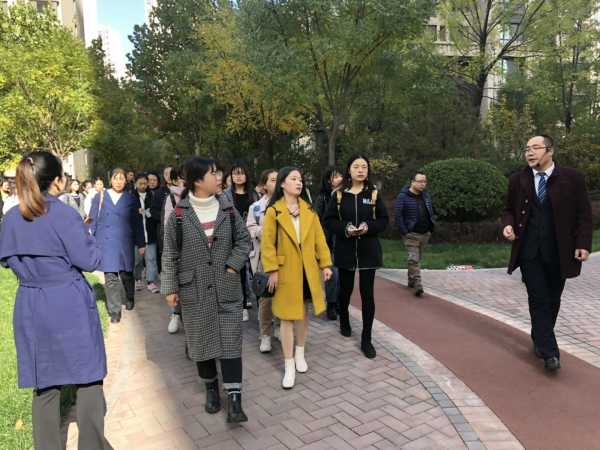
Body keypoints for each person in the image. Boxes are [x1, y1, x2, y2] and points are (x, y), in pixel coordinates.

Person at [0, 151, 112, 450]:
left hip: (31, 303)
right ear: (57, 181)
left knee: (45, 384)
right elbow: (90, 260)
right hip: (68, 302)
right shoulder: (64, 215)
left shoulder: (11, 218)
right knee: (88, 377)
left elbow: (8, 261)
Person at [161, 156, 250, 423]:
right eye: (213, 173)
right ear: (198, 180)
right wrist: (170, 287)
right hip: (194, 290)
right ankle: (211, 388)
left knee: (231, 341)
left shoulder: (228, 210)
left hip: (227, 288)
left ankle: (235, 398)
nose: (219, 177)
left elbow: (243, 241)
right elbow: (170, 253)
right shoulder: (179, 215)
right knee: (201, 341)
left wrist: (232, 266)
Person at [502, 135, 592, 372]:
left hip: (560, 251)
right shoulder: (518, 179)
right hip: (529, 251)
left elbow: (584, 214)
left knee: (553, 298)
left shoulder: (572, 178)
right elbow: (508, 210)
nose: (529, 152)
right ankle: (550, 353)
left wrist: (583, 243)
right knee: (538, 298)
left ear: (550, 151)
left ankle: (539, 336)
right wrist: (508, 224)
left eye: (535, 148)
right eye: (526, 149)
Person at [261, 167, 333, 389]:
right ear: (282, 183)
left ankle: (300, 353)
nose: (299, 182)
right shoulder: (273, 211)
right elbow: (267, 244)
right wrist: (272, 270)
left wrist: (325, 264)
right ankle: (289, 364)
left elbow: (320, 239)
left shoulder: (309, 210)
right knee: (286, 317)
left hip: (307, 270)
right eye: (294, 179)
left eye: (300, 179)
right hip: (284, 271)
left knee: (302, 313)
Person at [324, 155, 389, 359]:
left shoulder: (373, 194)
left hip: (368, 251)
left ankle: (366, 339)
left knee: (367, 294)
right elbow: (329, 220)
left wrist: (369, 227)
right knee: (345, 290)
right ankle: (344, 319)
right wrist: (346, 228)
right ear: (349, 170)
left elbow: (384, 220)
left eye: (364, 167)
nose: (360, 170)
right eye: (356, 166)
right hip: (346, 250)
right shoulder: (338, 194)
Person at [89, 168, 145, 323]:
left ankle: (129, 296)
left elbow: (137, 223)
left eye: (121, 179)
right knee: (110, 276)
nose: (118, 182)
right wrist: (90, 238)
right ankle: (114, 311)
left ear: (126, 181)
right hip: (106, 242)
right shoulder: (100, 197)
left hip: (125, 242)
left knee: (126, 274)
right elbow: (92, 219)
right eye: (116, 178)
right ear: (110, 180)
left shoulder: (131, 198)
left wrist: (141, 243)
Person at [247, 169, 278, 353]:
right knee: (266, 297)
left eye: (278, 179)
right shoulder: (256, 207)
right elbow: (250, 227)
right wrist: (263, 231)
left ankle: (280, 326)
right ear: (264, 185)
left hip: (286, 258)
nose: (276, 182)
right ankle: (265, 334)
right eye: (272, 180)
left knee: (283, 294)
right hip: (264, 257)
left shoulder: (289, 204)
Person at [224, 161, 259, 321]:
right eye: (235, 173)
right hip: (235, 239)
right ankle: (243, 305)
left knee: (256, 272)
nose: (238, 177)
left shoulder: (254, 194)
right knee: (239, 273)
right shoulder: (225, 195)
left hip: (253, 238)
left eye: (241, 173)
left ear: (246, 175)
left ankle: (261, 306)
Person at [394, 172, 434, 297]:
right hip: (411, 234)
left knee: (416, 259)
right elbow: (398, 215)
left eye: (425, 182)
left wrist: (430, 228)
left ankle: (411, 279)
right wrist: (405, 231)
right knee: (414, 259)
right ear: (412, 182)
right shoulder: (403, 197)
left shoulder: (425, 196)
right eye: (420, 181)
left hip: (425, 234)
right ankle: (418, 285)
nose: (423, 184)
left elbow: (430, 212)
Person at [314, 167, 343, 320]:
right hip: (327, 241)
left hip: (342, 240)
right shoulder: (322, 198)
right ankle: (331, 304)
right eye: (335, 176)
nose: (340, 178)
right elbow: (316, 219)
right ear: (328, 180)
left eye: (340, 176)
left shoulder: (345, 195)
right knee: (333, 274)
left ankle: (339, 303)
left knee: (342, 274)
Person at [162, 167, 186, 333]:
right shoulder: (171, 198)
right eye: (181, 178)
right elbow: (167, 226)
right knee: (177, 282)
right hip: (178, 246)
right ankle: (175, 313)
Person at [133, 173, 160, 294]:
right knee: (137, 260)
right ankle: (137, 279)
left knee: (151, 259)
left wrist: (149, 213)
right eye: (140, 183)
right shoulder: (131, 197)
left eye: (145, 183)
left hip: (150, 233)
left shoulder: (152, 196)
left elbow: (157, 212)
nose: (143, 185)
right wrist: (136, 212)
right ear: (136, 183)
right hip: (137, 235)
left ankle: (150, 281)